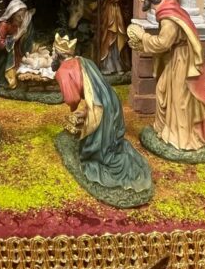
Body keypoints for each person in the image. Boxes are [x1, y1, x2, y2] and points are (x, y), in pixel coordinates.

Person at [52, 33, 151, 195]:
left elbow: (72, 98)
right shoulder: (84, 61)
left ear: (57, 54)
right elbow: (92, 86)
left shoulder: (63, 71)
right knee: (108, 139)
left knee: (96, 150)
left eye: (53, 52)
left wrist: (75, 110)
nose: (52, 55)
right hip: (111, 100)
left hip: (99, 108)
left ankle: (98, 154)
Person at [127, 0, 205, 151]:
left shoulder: (168, 18)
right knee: (163, 89)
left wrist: (142, 36)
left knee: (179, 97)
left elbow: (162, 43)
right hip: (177, 57)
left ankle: (180, 137)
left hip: (182, 60)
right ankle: (164, 127)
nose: (140, 0)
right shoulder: (169, 7)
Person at [0, 0, 35, 88]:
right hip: (6, 55)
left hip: (17, 53)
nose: (21, 18)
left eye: (23, 15)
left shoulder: (19, 23)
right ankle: (5, 79)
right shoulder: (3, 25)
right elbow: (1, 45)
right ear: (12, 14)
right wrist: (17, 36)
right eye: (18, 16)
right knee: (11, 77)